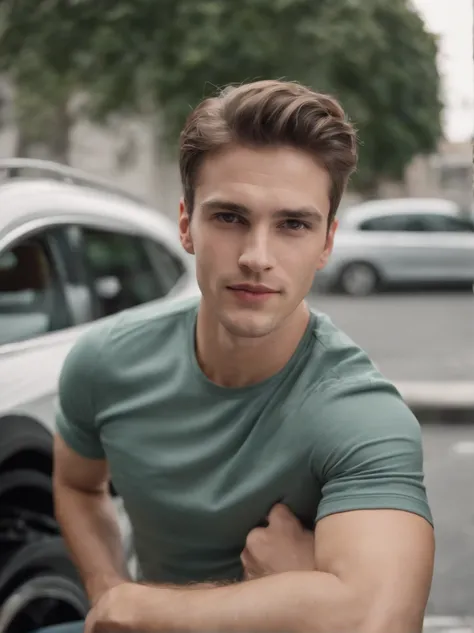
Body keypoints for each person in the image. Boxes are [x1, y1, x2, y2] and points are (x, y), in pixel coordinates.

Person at [48, 79, 434, 633]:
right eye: (230, 217)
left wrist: (137, 609)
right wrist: (106, 587)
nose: (257, 256)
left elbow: (383, 620)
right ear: (187, 225)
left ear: (326, 243)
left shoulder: (363, 417)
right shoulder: (105, 361)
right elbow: (78, 484)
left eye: (293, 225)